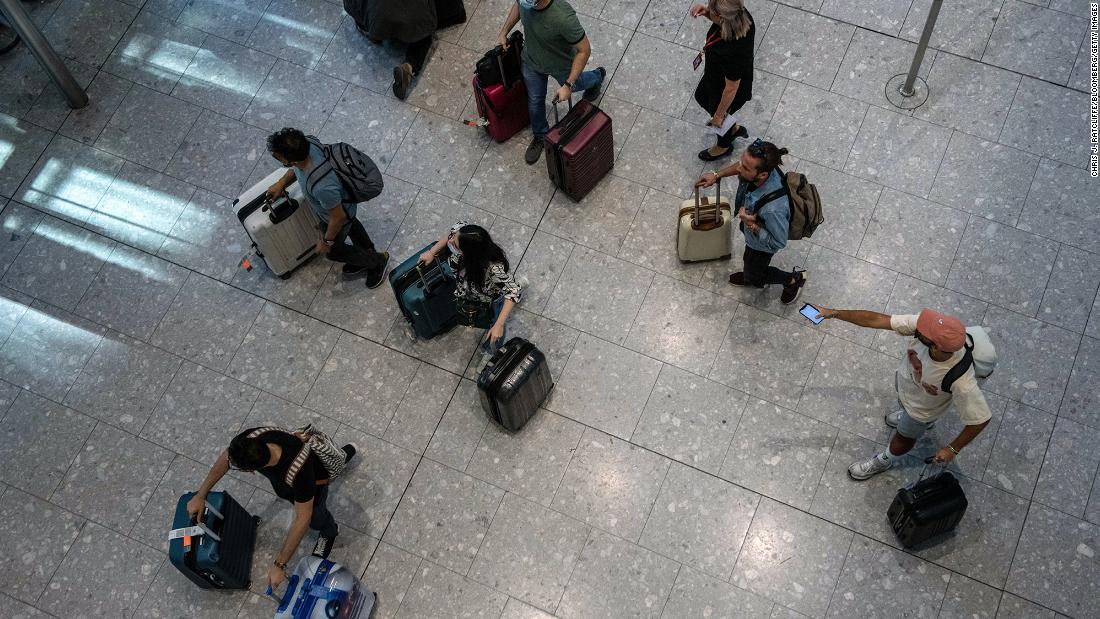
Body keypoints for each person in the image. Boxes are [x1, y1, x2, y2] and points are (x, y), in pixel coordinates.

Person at [812, 306, 993, 480]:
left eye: (925, 331)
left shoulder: (962, 381)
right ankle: (910, 415)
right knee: (904, 405)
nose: (919, 326)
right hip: (908, 387)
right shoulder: (925, 329)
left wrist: (952, 449)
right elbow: (877, 320)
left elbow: (980, 420)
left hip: (920, 411)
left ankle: (885, 460)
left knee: (903, 438)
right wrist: (834, 313)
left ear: (936, 346)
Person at [186, 429, 358, 590]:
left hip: (314, 483)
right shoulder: (252, 439)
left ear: (252, 471)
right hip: (290, 482)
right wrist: (201, 495)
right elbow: (226, 457)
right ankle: (342, 457)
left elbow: (303, 518)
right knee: (290, 491)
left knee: (316, 517)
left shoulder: (299, 472)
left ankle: (329, 532)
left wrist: (279, 565)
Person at [265, 128, 390, 289]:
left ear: (292, 160)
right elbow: (296, 169)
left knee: (334, 252)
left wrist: (326, 242)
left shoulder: (321, 186)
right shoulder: (308, 143)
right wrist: (282, 183)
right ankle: (368, 252)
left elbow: (338, 218)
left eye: (278, 156)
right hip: (344, 204)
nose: (276, 157)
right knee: (352, 225)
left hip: (339, 213)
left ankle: (377, 262)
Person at [696, 138, 807, 304]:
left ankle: (793, 280)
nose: (738, 167)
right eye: (742, 161)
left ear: (762, 175)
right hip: (751, 228)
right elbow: (741, 167)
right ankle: (752, 275)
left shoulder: (773, 209)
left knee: (755, 272)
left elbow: (778, 242)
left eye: (745, 167)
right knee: (750, 264)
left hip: (761, 246)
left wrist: (751, 225)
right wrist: (716, 175)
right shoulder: (766, 167)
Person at [497, 0, 606, 165]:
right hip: (532, 61)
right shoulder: (526, 1)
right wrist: (504, 31)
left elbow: (584, 50)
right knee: (535, 101)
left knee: (580, 82)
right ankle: (540, 136)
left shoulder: (563, 16)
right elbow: (519, 5)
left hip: (560, 64)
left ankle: (597, 77)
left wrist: (568, 85)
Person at [417, 221, 522, 355]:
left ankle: (491, 350)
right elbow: (451, 233)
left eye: (455, 245)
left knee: (495, 325)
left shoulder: (493, 267)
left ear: (470, 253)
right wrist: (431, 252)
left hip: (491, 299)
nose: (450, 242)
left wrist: (499, 325)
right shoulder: (463, 232)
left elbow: (514, 290)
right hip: (471, 291)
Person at [689, 0, 755, 161]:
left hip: (725, 89)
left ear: (722, 17)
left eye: (713, 11)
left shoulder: (734, 51)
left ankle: (724, 145)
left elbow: (731, 88)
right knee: (701, 96)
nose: (709, 10)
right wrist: (706, 12)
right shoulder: (741, 15)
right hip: (716, 75)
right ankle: (734, 128)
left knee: (719, 117)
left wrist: (719, 115)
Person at [345, 0, 437, 100]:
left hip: (371, 21)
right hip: (405, 19)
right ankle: (410, 65)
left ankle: (375, 30)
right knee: (424, 29)